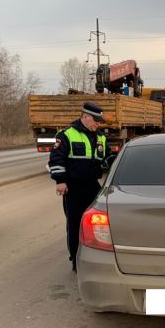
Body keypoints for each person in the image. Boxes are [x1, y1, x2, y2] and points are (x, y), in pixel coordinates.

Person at [47, 102, 114, 272]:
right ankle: (76, 261)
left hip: (93, 186)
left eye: (100, 120)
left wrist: (115, 163)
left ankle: (96, 256)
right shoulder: (66, 134)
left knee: (98, 224)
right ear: (85, 117)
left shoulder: (100, 137)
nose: (98, 123)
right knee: (75, 224)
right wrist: (60, 181)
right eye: (96, 120)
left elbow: (105, 158)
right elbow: (56, 160)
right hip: (73, 188)